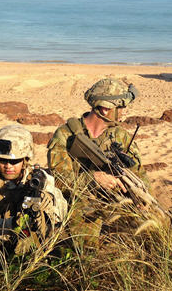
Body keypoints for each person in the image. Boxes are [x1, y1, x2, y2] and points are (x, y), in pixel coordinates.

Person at [47, 78, 148, 248]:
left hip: (117, 204)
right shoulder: (66, 135)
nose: (124, 112)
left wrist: (143, 198)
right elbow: (59, 179)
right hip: (79, 206)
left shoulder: (121, 137)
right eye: (121, 107)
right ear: (105, 109)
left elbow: (139, 173)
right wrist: (93, 179)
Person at [0, 125, 67, 254]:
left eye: (14, 162)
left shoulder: (40, 179)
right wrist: (12, 224)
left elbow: (62, 214)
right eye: (3, 160)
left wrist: (48, 205)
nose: (8, 166)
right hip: (3, 250)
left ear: (25, 160)